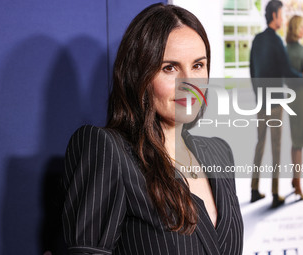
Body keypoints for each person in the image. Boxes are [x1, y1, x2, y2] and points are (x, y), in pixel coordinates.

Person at [61, 3, 243, 254]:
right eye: (170, 68)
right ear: (140, 75)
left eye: (198, 65)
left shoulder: (219, 153)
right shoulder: (108, 150)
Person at [249, 0, 303, 208]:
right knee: (275, 148)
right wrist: (302, 79)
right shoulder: (276, 42)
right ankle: (276, 193)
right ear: (274, 16)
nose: (283, 19)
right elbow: (286, 70)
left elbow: (252, 71)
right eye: (282, 15)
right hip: (275, 102)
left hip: (261, 101)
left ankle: (254, 189)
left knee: (259, 144)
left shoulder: (256, 40)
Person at [285, 15, 303, 200]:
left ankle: (295, 179)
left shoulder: (284, 50)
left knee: (295, 141)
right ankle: (298, 185)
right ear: (296, 28)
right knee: (299, 143)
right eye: (302, 26)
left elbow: (285, 78)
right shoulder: (302, 51)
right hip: (301, 98)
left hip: (289, 97)